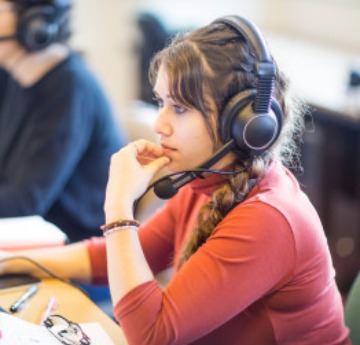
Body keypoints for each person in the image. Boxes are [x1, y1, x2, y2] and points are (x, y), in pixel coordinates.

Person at [0, 15, 351, 345]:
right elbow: (110, 258)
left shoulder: (269, 219)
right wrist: (10, 260)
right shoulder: (210, 181)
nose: (159, 124)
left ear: (244, 126)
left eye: (179, 108)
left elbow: (152, 334)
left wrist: (119, 207)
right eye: (162, 103)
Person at [0, 0, 126, 242]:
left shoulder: (69, 87)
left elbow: (27, 200)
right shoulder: (14, 75)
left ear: (34, 21)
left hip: (76, 251)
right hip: (30, 240)